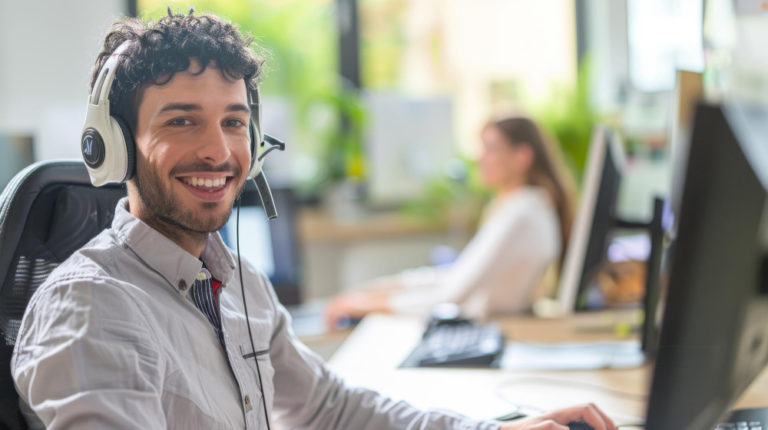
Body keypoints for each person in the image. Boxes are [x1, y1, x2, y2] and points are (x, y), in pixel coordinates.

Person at [11, 9, 615, 430]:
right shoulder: (91, 308)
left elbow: (330, 411)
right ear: (112, 146)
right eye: (180, 120)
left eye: (234, 121)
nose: (219, 152)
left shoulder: (239, 284)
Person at [325, 116, 575, 326]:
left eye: (491, 148)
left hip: (489, 325)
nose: (479, 158)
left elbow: (451, 294)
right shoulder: (528, 205)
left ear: (522, 156)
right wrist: (374, 292)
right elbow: (456, 276)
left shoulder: (521, 213)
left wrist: (365, 305)